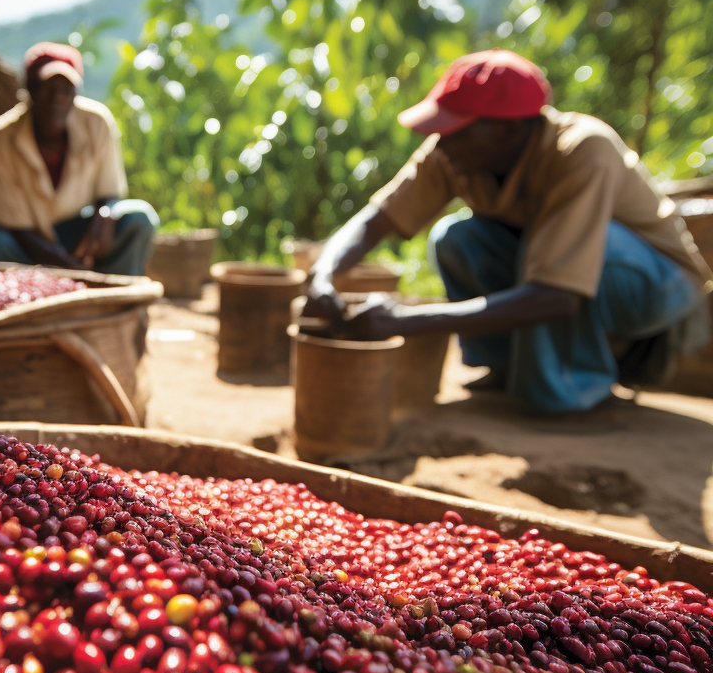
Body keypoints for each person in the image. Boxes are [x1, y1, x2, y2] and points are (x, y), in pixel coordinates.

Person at [304, 49, 712, 414]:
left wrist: (405, 321)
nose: (440, 142)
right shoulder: (453, 151)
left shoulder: (583, 149)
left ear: (509, 129)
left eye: (456, 130)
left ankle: (574, 390)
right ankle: (507, 368)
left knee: (566, 251)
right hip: (560, 268)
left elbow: (558, 294)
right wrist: (323, 275)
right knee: (457, 238)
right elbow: (377, 219)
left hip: (655, 285)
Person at [0, 42, 158, 276]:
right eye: (49, 87)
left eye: (66, 88)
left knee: (138, 219)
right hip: (23, 245)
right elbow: (6, 222)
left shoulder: (97, 122)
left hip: (76, 237)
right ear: (31, 90)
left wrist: (105, 213)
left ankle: (113, 300)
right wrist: (67, 268)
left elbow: (109, 193)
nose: (58, 97)